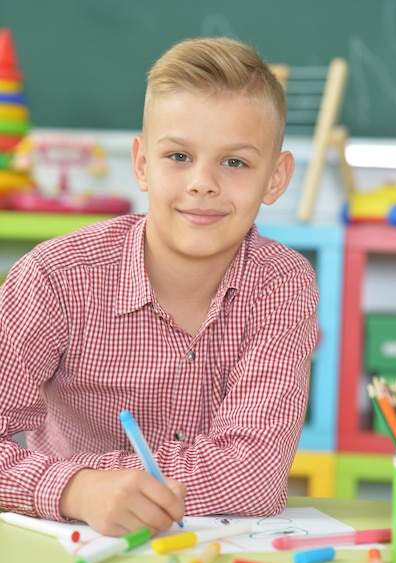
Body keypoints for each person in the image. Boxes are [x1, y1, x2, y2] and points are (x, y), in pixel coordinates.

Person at [0, 37, 319, 537]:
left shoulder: (281, 285)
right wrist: (74, 489)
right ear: (142, 163)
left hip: (215, 556)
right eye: (178, 156)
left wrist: (97, 474)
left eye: (234, 162)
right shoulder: (54, 278)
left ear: (275, 179)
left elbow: (255, 476)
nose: (203, 183)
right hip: (74, 547)